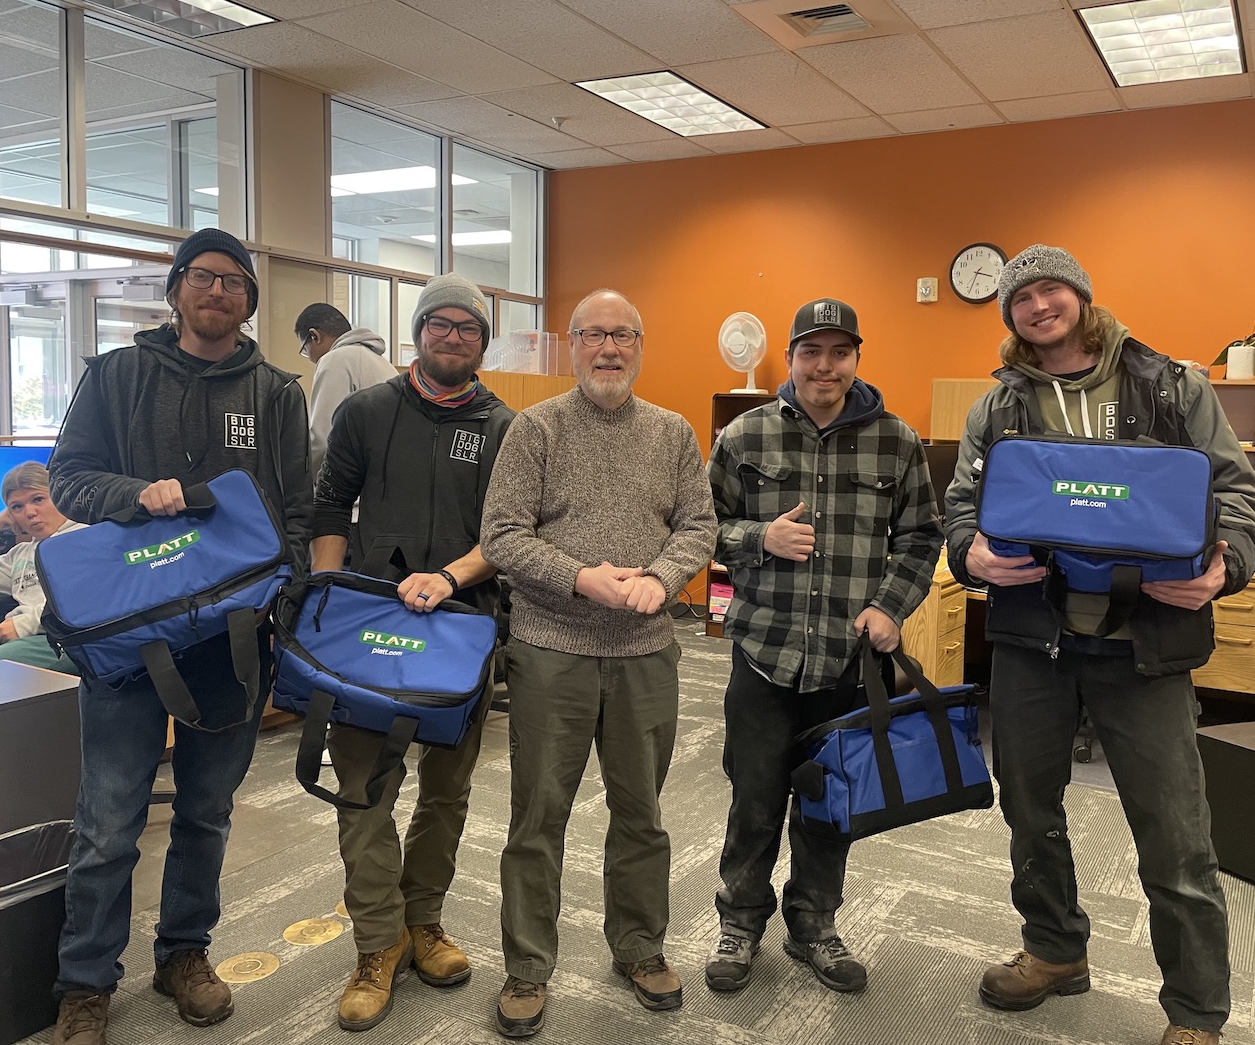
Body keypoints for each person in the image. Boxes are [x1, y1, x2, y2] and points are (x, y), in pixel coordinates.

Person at [942, 245, 1255, 1045]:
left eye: (1051, 289)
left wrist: (1225, 570)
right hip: (1031, 643)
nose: (1038, 305)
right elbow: (959, 509)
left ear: (1081, 297)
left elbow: (1236, 493)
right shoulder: (999, 406)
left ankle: (1195, 1008)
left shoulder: (1173, 386)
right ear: (1009, 314)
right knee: (1030, 811)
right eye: (1021, 297)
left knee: (1173, 830)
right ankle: (1055, 951)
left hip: (1146, 646)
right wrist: (968, 554)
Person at [46, 227, 311, 1045]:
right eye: (203, 277)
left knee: (206, 811)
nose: (218, 291)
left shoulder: (274, 391)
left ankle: (183, 955)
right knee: (108, 820)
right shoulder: (117, 375)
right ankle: (85, 982)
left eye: (235, 281)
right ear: (175, 289)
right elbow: (69, 479)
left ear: (249, 301)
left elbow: (295, 512)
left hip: (232, 639)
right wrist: (136, 494)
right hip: (130, 639)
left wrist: (288, 611)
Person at [480, 289, 716, 1039]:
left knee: (641, 815)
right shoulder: (536, 429)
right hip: (552, 650)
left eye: (623, 336)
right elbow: (503, 535)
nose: (608, 349)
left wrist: (661, 576)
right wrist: (581, 577)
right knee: (538, 816)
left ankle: (640, 948)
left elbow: (699, 525)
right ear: (573, 345)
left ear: (640, 347)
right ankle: (527, 965)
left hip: (645, 652)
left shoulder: (673, 433)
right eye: (593, 336)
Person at [704, 297, 942, 995]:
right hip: (765, 653)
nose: (825, 366)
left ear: (856, 360)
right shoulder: (744, 437)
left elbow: (924, 538)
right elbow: (698, 528)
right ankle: (739, 924)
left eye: (840, 353)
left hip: (847, 659)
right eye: (812, 351)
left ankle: (814, 926)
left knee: (830, 802)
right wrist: (760, 538)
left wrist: (890, 608)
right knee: (753, 799)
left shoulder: (896, 441)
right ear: (791, 357)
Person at [310, 271, 514, 1032]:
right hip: (367, 630)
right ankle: (375, 944)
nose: (452, 336)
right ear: (418, 333)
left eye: (468, 327)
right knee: (363, 791)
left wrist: (452, 579)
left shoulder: (504, 426)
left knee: (446, 793)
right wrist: (325, 599)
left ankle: (423, 923)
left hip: (462, 632)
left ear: (482, 343)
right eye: (440, 324)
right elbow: (330, 504)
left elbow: (510, 532)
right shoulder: (367, 411)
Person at [0, 460, 82, 670]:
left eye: (38, 499)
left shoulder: (87, 537)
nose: (30, 512)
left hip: (61, 638)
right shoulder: (22, 553)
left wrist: (25, 624)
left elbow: (87, 604)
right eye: (17, 507)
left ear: (60, 497)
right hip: (14, 631)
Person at [294, 301, 395, 483]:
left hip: (352, 491)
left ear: (314, 336)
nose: (308, 357)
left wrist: (298, 481)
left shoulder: (334, 360)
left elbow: (323, 440)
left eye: (305, 349)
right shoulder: (381, 362)